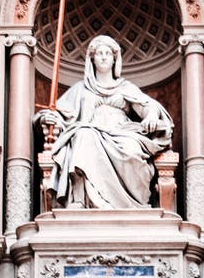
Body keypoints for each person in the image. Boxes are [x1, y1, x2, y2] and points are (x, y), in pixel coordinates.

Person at [38, 35, 173, 210]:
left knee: (131, 148)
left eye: (107, 53)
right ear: (92, 59)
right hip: (90, 129)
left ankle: (133, 203)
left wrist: (152, 116)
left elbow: (147, 107)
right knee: (83, 135)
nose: (103, 57)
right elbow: (59, 113)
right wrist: (49, 118)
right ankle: (79, 199)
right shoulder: (80, 89)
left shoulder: (125, 87)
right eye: (99, 53)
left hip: (122, 131)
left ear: (114, 59)